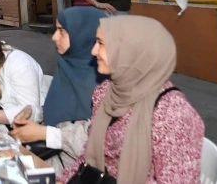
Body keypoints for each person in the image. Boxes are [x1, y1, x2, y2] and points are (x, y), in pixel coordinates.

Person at [59, 16, 205, 184]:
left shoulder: (174, 114)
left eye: (101, 43)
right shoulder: (106, 92)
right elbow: (89, 154)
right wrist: (63, 180)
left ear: (131, 51)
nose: (93, 51)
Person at [10, 7, 104, 173]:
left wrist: (44, 133)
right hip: (50, 163)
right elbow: (59, 114)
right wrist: (32, 115)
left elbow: (104, 142)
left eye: (62, 31)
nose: (54, 37)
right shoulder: (67, 68)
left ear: (82, 34)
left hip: (81, 173)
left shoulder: (106, 83)